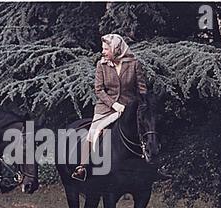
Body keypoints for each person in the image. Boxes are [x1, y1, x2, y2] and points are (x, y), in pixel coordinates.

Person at [71, 34, 171, 181]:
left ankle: (157, 167)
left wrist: (143, 104)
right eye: (103, 49)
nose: (103, 52)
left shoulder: (134, 64)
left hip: (130, 107)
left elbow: (141, 88)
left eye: (106, 49)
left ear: (116, 49)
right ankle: (83, 167)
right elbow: (99, 90)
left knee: (150, 128)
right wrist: (114, 104)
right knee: (93, 132)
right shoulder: (101, 65)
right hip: (105, 107)